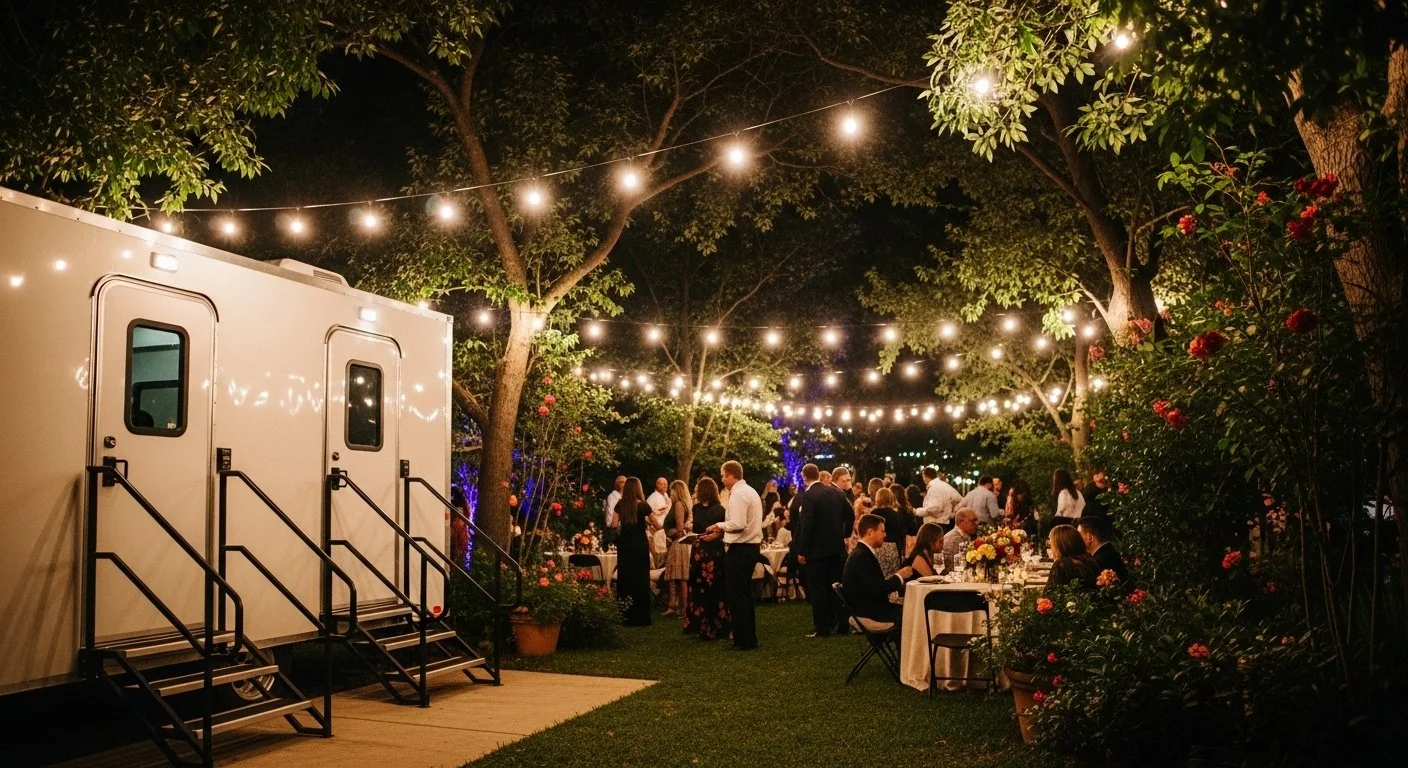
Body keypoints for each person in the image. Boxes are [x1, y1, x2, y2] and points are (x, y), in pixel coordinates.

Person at [706, 460, 763, 650]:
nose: (722, 480)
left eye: (723, 476)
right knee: (744, 594)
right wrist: (722, 531)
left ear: (731, 475)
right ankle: (748, 637)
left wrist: (719, 526)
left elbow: (738, 523)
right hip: (750, 547)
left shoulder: (738, 494)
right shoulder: (751, 491)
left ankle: (742, 640)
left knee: (736, 595)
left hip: (741, 549)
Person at [796, 462, 852, 638]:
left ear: (804, 477)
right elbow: (850, 514)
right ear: (819, 474)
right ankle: (842, 624)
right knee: (836, 587)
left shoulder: (809, 495)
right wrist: (845, 533)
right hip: (836, 548)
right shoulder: (836, 492)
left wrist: (802, 550)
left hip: (816, 552)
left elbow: (807, 525)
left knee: (818, 589)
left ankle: (822, 628)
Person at [842, 513, 915, 627]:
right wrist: (900, 576)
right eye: (882, 531)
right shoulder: (862, 556)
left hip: (868, 608)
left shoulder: (862, 552)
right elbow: (878, 590)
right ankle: (908, 644)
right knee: (914, 614)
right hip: (869, 612)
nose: (885, 535)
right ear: (870, 532)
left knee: (910, 609)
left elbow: (874, 586)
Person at [683, 477, 729, 640]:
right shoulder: (718, 509)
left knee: (703, 588)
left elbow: (703, 529)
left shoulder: (700, 509)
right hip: (710, 550)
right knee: (710, 588)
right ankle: (713, 624)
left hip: (703, 551)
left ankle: (702, 624)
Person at [614, 478, 653, 626]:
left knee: (625, 578)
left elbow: (613, 525)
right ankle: (641, 616)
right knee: (641, 578)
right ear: (638, 489)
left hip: (625, 545)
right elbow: (656, 523)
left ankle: (625, 614)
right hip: (640, 545)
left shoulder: (620, 504)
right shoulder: (643, 505)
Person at [662, 480, 692, 617]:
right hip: (676, 543)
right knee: (675, 576)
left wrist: (671, 533)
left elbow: (680, 529)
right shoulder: (678, 504)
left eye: (671, 490)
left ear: (676, 490)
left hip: (678, 543)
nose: (670, 493)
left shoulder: (679, 504)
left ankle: (683, 609)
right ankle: (673, 606)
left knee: (680, 576)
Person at [1044, 524, 1100, 591]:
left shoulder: (1061, 565)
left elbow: (1048, 596)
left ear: (1059, 545)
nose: (1050, 547)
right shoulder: (1090, 561)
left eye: (1051, 544)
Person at [1078, 515, 1129, 587]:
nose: (1077, 539)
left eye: (1078, 535)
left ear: (1089, 537)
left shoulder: (1098, 562)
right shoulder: (1110, 552)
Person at [869, 487, 906, 576]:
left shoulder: (873, 513)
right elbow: (902, 535)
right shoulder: (896, 515)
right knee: (892, 578)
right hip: (892, 549)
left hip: (876, 548)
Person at [916, 466, 962, 531]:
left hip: (934, 526)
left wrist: (916, 511)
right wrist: (952, 512)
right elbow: (960, 500)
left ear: (925, 477)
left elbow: (933, 509)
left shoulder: (934, 488)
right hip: (945, 524)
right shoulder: (946, 486)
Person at [1052, 469, 1086, 534]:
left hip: (1068, 527)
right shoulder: (1078, 492)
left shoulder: (1063, 493)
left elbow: (1060, 512)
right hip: (1080, 524)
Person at [647, 476, 671, 566]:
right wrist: (658, 527)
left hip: (665, 531)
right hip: (656, 531)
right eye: (662, 484)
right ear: (657, 485)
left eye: (666, 484)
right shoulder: (652, 498)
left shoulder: (666, 497)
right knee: (658, 558)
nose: (665, 485)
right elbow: (648, 516)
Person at [604, 475, 625, 549]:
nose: (624, 484)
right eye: (622, 482)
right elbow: (610, 511)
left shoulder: (625, 496)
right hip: (614, 527)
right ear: (617, 484)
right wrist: (610, 525)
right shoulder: (613, 496)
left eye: (626, 482)